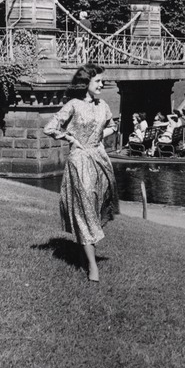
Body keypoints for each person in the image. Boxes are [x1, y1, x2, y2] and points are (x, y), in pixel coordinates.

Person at [43, 63, 119, 283]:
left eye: (102, 81)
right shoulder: (73, 105)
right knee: (85, 207)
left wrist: (99, 136)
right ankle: (93, 267)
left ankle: (82, 254)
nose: (102, 84)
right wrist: (70, 138)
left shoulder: (103, 105)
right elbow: (50, 127)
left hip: (100, 160)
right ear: (86, 83)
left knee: (93, 209)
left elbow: (113, 126)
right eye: (98, 81)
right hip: (79, 161)